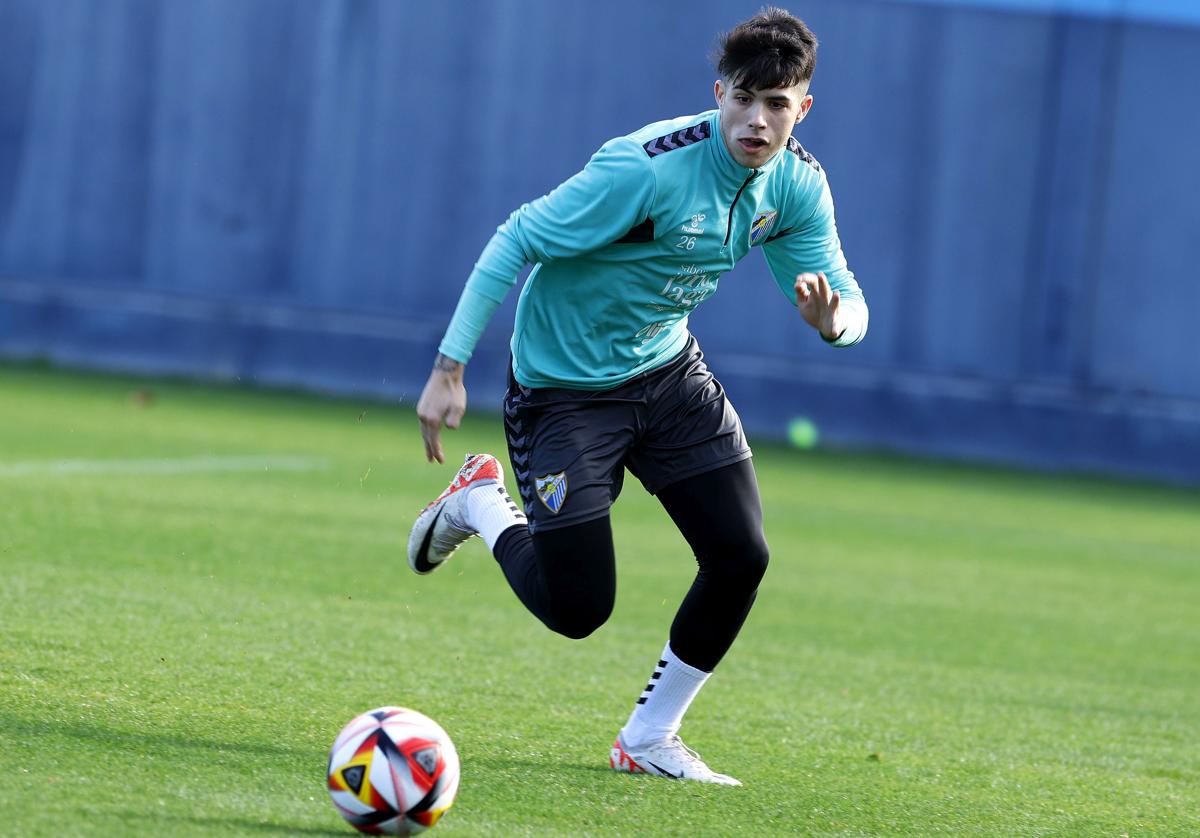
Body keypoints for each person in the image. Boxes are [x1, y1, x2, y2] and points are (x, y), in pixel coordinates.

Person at [408, 7, 867, 786]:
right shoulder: (645, 169)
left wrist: (835, 323)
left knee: (741, 554)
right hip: (564, 392)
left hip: (666, 375)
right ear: (718, 93)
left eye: (777, 103)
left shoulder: (795, 186)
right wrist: (450, 368)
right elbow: (517, 237)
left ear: (803, 107)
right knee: (578, 610)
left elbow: (848, 295)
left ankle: (650, 737)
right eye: (743, 100)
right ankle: (480, 502)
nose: (757, 120)